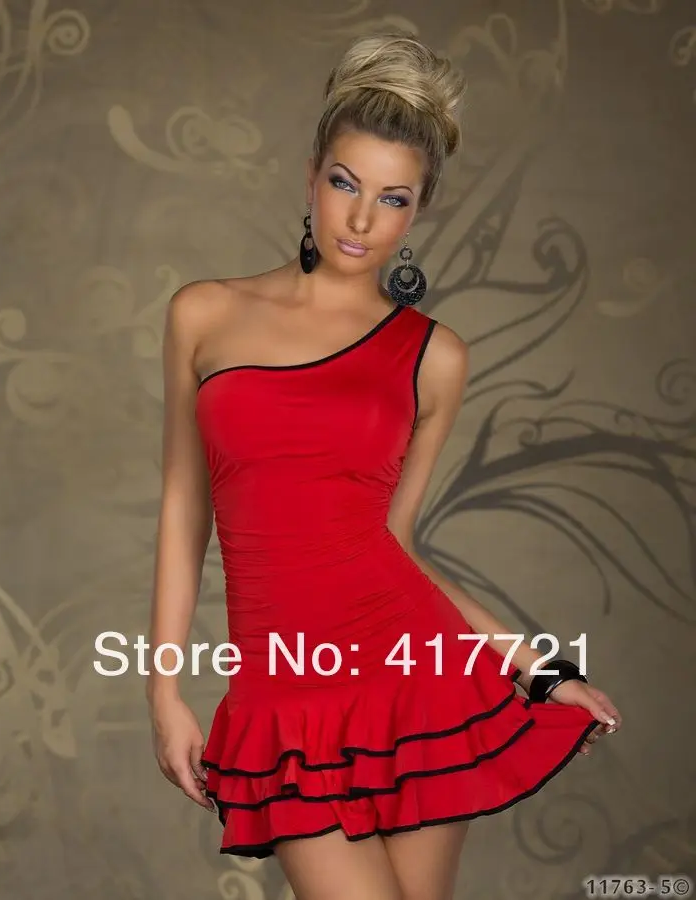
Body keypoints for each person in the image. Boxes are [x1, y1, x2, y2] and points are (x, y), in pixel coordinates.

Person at [146, 29, 622, 900]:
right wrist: (164, 692)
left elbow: (393, 545)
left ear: (417, 211)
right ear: (310, 177)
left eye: (392, 198)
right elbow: (184, 514)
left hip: (418, 681)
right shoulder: (203, 316)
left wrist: (538, 668)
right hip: (283, 695)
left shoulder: (433, 355)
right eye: (344, 184)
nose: (361, 219)